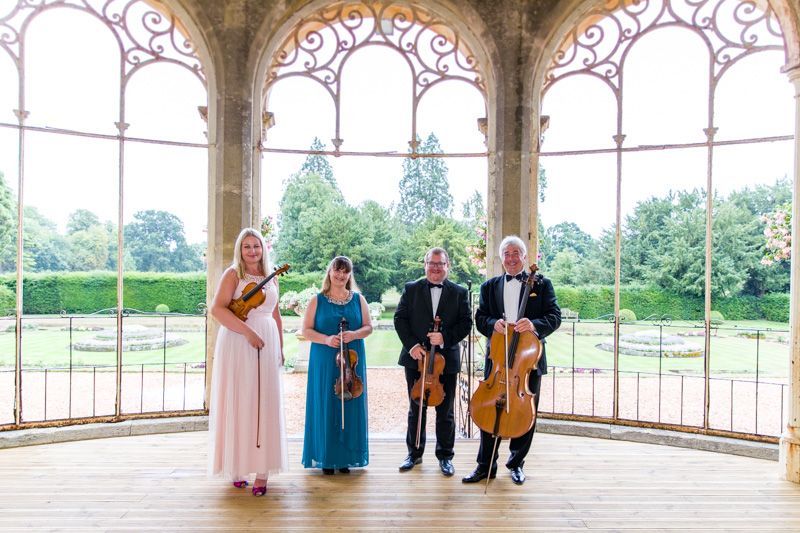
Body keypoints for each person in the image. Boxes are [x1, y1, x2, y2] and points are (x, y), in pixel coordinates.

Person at [462, 235, 561, 486]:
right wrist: (491, 324)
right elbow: (480, 318)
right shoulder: (489, 286)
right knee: (489, 408)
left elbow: (554, 316)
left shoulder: (542, 284)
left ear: (525, 257)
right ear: (501, 259)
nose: (511, 258)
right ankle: (485, 465)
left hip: (527, 363)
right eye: (506, 254)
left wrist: (534, 324)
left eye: (516, 253)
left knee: (524, 413)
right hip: (497, 359)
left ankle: (516, 464)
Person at [208, 228, 288, 496]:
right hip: (238, 340)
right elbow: (217, 309)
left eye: (256, 246)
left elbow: (275, 314)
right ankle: (238, 467)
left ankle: (263, 472)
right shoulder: (233, 274)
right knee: (240, 399)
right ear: (240, 250)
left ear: (263, 248)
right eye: (247, 246)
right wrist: (248, 332)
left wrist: (280, 346)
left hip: (268, 340)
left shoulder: (271, 276)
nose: (252, 251)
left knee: (264, 401)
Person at [394, 247, 472, 476]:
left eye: (440, 264)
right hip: (416, 359)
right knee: (416, 408)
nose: (436, 268)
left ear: (448, 266)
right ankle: (414, 454)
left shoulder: (459, 292)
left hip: (445, 361)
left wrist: (445, 337)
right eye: (432, 263)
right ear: (425, 265)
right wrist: (412, 346)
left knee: (445, 411)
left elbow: (466, 323)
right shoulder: (411, 288)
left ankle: (445, 456)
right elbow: (400, 319)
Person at [301, 256, 372, 474]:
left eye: (345, 272)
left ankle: (345, 457)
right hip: (324, 359)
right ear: (329, 272)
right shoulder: (317, 300)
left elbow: (368, 327)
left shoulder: (359, 299)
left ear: (350, 275)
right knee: (326, 403)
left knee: (350, 402)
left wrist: (354, 334)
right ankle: (326, 456)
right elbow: (306, 330)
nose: (340, 275)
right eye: (337, 270)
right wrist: (326, 339)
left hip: (352, 360)